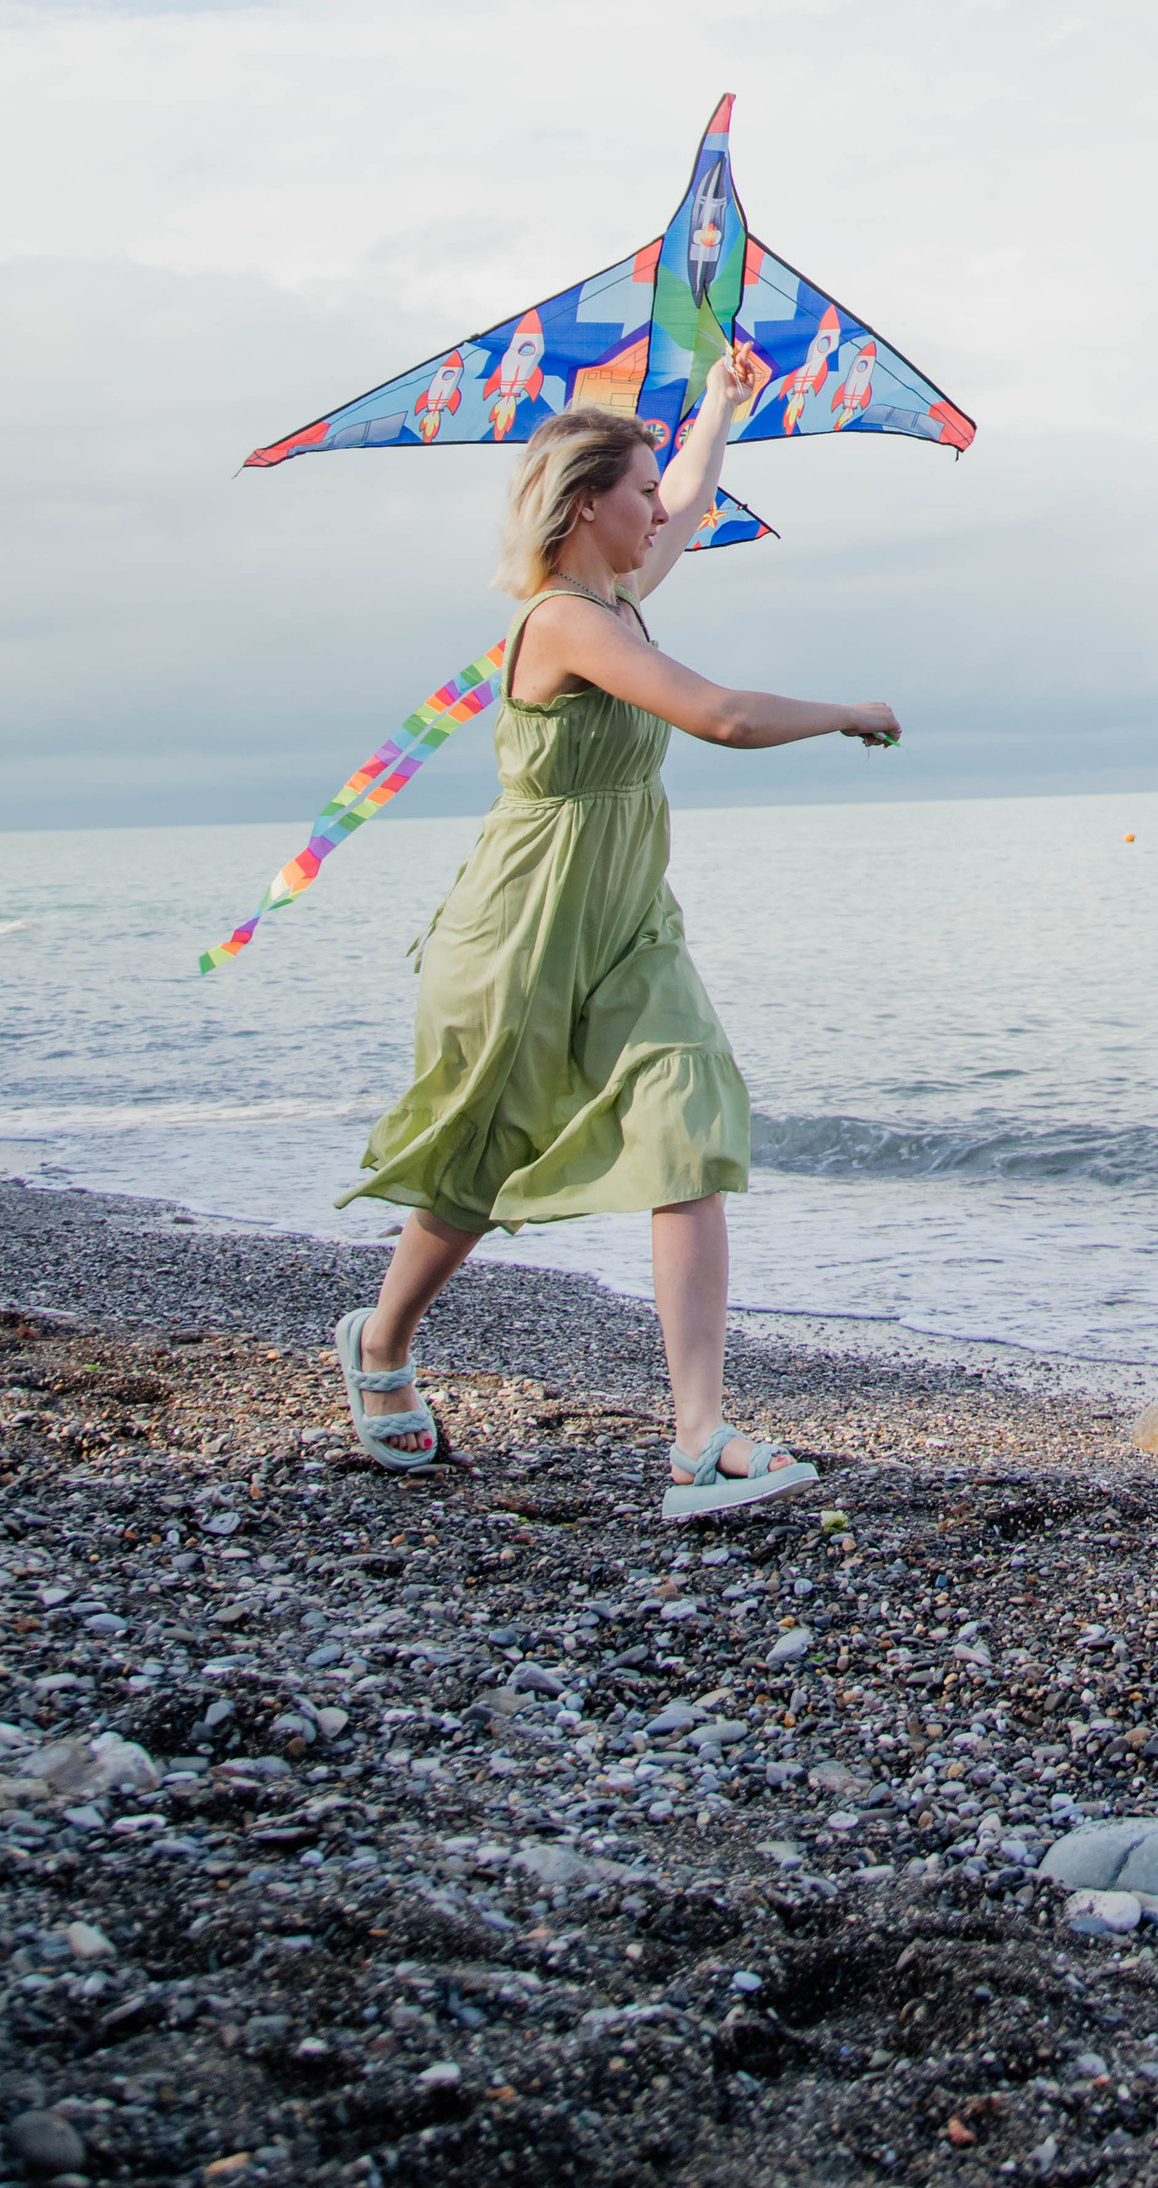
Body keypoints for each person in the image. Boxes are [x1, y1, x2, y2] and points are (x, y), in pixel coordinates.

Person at [328, 364, 900, 1521]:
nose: (660, 511)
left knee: (689, 1124)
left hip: (629, 920)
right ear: (585, 503)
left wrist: (722, 403)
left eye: (652, 490)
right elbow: (720, 716)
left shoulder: (624, 592)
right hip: (525, 926)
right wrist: (847, 710)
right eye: (636, 492)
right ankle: (380, 1343)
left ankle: (699, 1438)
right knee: (477, 1159)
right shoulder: (563, 621)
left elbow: (686, 495)